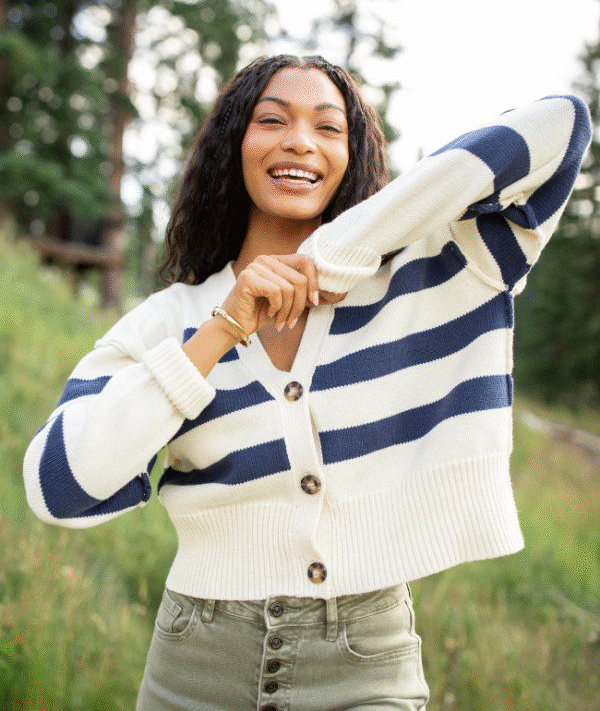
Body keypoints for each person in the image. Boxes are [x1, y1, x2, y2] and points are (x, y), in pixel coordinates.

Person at [23, 55, 591, 711]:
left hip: (366, 664)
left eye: (328, 127)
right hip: (194, 665)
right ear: (234, 148)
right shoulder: (167, 322)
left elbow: (560, 126)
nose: (299, 140)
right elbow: (58, 488)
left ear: (355, 157)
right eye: (272, 120)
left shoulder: (436, 272)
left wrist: (336, 253)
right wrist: (220, 329)